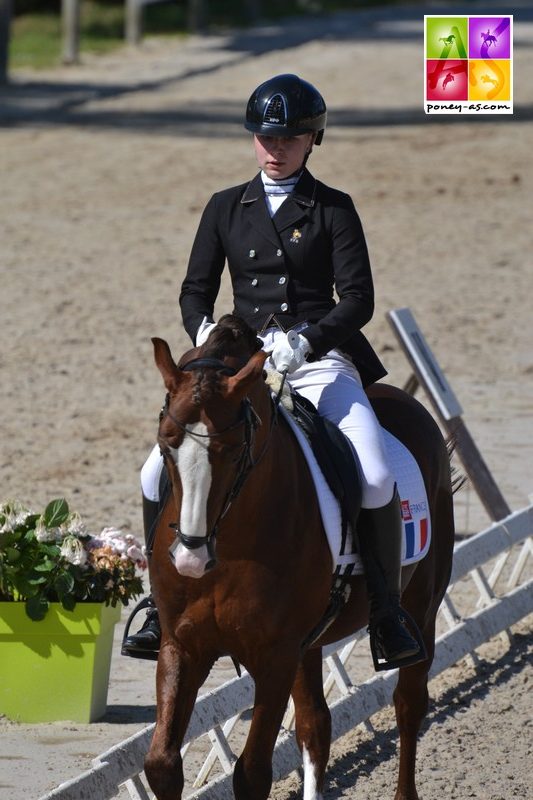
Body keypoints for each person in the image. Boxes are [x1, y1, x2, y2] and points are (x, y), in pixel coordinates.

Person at [122, 73, 423, 671]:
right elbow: (194, 290)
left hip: (315, 361)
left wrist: (308, 340)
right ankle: (160, 605)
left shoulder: (333, 207)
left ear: (313, 139)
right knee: (156, 468)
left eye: (289, 137)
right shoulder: (225, 206)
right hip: (239, 365)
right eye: (265, 136)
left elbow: (357, 297)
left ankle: (387, 612)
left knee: (372, 476)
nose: (275, 147)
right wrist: (204, 332)